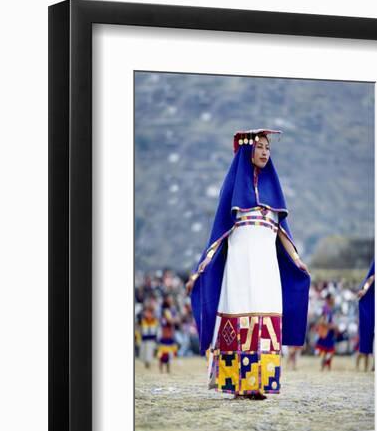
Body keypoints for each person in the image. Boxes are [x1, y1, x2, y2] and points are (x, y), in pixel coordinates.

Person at [186, 129, 310, 399]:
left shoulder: (274, 196)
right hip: (240, 267)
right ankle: (237, 384)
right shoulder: (232, 192)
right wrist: (203, 266)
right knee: (240, 317)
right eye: (261, 147)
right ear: (247, 150)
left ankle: (260, 383)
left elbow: (282, 232)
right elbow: (219, 233)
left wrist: (298, 260)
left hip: (267, 267)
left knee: (264, 318)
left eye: (268, 148)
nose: (266, 152)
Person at [357, 260, 375, 371]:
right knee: (368, 335)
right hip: (371, 301)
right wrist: (364, 290)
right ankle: (367, 366)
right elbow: (372, 277)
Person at [315, 294, 337, 370]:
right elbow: (322, 321)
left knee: (327, 350)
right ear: (328, 300)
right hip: (326, 332)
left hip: (329, 332)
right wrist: (331, 326)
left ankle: (325, 365)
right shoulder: (326, 309)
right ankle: (325, 365)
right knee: (329, 350)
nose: (333, 300)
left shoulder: (330, 308)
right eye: (332, 298)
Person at [139, 304, 159, 368]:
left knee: (149, 351)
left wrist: (156, 338)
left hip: (151, 338)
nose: (148, 314)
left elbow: (157, 330)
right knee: (143, 352)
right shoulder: (143, 320)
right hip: (144, 338)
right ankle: (145, 361)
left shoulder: (155, 320)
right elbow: (140, 329)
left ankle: (148, 362)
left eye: (150, 313)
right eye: (147, 312)